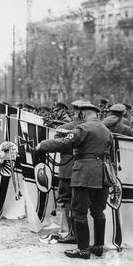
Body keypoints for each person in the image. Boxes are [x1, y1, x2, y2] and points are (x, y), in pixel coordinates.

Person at [35, 101, 112, 259]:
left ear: (83, 113)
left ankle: (83, 250)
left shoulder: (83, 128)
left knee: (79, 212)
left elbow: (65, 144)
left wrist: (42, 145)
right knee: (98, 212)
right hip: (103, 175)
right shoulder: (106, 130)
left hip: (84, 174)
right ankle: (98, 247)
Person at [54, 100, 85, 244]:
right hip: (85, 170)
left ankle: (72, 233)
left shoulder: (64, 127)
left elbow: (57, 145)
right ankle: (81, 234)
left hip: (67, 169)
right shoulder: (92, 128)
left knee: (67, 200)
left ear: (74, 111)